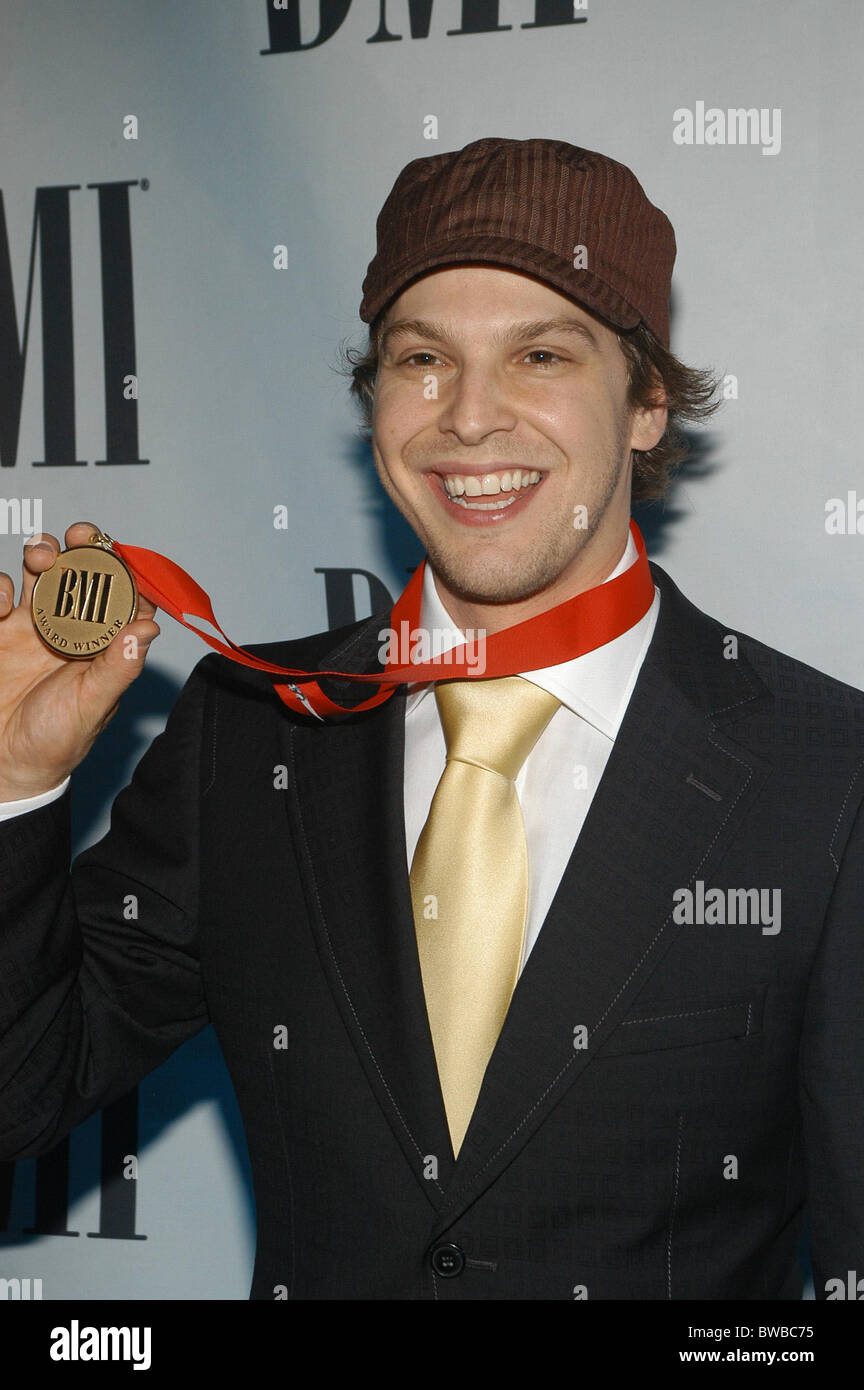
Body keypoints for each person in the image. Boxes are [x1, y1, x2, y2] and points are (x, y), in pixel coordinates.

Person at [0, 137, 862, 1300]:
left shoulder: (826, 773)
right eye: (421, 359)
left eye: (541, 353)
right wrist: (17, 784)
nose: (467, 417)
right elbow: (23, 1087)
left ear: (649, 402)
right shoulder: (252, 730)